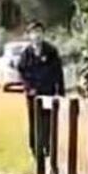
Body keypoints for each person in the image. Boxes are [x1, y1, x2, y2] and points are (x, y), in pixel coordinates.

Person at [17, 22, 65, 158]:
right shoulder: (26, 54)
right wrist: (29, 88)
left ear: (43, 34)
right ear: (29, 35)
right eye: (33, 32)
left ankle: (48, 146)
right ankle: (35, 148)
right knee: (34, 121)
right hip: (33, 95)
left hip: (48, 92)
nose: (36, 35)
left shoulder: (51, 51)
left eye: (39, 32)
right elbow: (21, 72)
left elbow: (58, 72)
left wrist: (60, 91)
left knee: (48, 121)